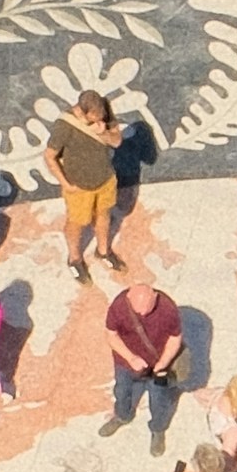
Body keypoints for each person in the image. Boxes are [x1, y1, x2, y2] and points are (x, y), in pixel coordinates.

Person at [42, 89, 126, 278]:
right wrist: (65, 183)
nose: (99, 120)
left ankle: (103, 251)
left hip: (105, 179)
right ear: (82, 111)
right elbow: (49, 156)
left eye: (101, 116)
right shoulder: (65, 126)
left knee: (104, 215)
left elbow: (117, 141)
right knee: (77, 223)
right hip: (78, 186)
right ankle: (74, 259)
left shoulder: (104, 113)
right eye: (94, 118)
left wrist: (103, 133)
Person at [101, 265, 185, 445]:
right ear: (129, 297)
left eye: (147, 309)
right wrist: (130, 358)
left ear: (155, 296)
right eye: (138, 311)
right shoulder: (119, 306)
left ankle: (158, 429)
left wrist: (163, 363)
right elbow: (111, 335)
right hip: (126, 363)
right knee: (122, 391)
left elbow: (175, 338)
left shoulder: (168, 309)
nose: (142, 314)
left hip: (159, 366)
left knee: (159, 400)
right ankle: (122, 416)